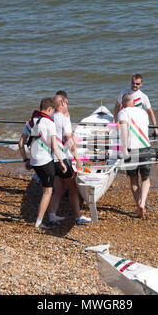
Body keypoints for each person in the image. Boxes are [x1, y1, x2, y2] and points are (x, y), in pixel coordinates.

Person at [18, 97, 67, 229]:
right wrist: (61, 162)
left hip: (34, 161)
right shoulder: (49, 123)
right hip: (45, 162)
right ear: (50, 109)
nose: (52, 114)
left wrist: (25, 160)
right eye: (52, 112)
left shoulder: (29, 122)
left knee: (50, 187)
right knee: (48, 191)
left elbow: (21, 143)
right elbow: (54, 145)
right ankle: (39, 222)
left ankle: (52, 215)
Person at [47, 93, 92, 225]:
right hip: (62, 158)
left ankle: (51, 215)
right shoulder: (63, 118)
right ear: (63, 103)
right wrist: (77, 158)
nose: (67, 105)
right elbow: (68, 140)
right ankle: (78, 217)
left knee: (59, 188)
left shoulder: (50, 117)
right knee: (73, 188)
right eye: (67, 103)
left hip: (50, 158)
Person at [117, 93, 152, 218]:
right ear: (133, 102)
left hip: (132, 149)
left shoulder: (123, 112)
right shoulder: (143, 112)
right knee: (146, 179)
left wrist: (124, 148)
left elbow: (124, 128)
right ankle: (143, 202)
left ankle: (139, 206)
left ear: (122, 103)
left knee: (133, 179)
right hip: (146, 147)